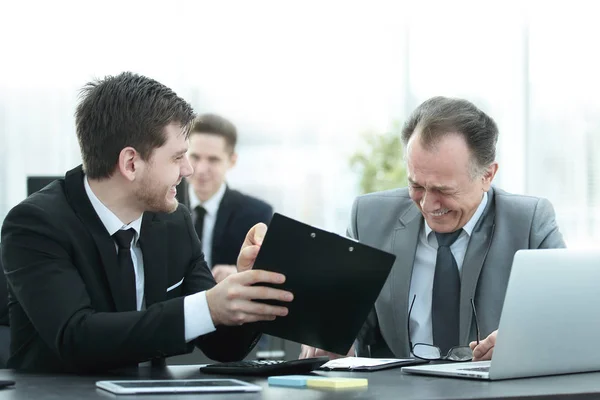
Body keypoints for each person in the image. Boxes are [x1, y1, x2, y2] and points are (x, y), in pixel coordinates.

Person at [0, 72, 292, 373]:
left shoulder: (173, 221)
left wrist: (246, 288)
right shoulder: (35, 225)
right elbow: (76, 336)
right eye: (177, 158)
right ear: (131, 164)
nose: (188, 169)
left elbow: (223, 347)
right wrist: (206, 306)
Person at [300, 96, 565, 361]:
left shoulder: (529, 223)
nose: (427, 203)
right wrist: (330, 338)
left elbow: (568, 319)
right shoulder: (369, 219)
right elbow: (349, 323)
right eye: (416, 185)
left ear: (487, 176)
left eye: (442, 190)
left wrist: (527, 342)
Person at [185, 114, 273, 283]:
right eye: (195, 157)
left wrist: (241, 272)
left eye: (213, 160)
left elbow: (267, 273)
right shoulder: (159, 206)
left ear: (232, 161)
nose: (201, 169)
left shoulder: (256, 214)